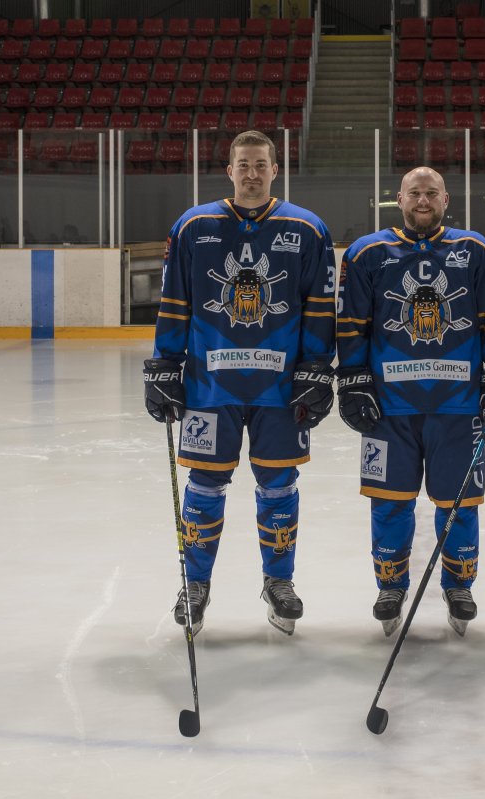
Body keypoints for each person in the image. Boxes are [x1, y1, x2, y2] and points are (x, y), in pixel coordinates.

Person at [142, 130, 337, 636]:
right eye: (243, 165)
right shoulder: (194, 226)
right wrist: (165, 364)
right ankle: (195, 585)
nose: (252, 173)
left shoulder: (306, 228)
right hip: (210, 386)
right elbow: (175, 301)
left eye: (260, 165)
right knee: (205, 485)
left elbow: (320, 307)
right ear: (229, 171)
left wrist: (316, 367)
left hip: (281, 391)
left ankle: (279, 582)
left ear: (276, 170)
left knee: (279, 485)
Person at [336, 166, 485, 637]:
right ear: (398, 199)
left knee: (459, 504)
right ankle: (390, 586)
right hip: (388, 408)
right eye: (415, 193)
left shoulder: (474, 250)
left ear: (445, 199)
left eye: (431, 193)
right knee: (389, 502)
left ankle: (459, 586)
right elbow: (352, 325)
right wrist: (352, 380)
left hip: (459, 406)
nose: (423, 200)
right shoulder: (367, 253)